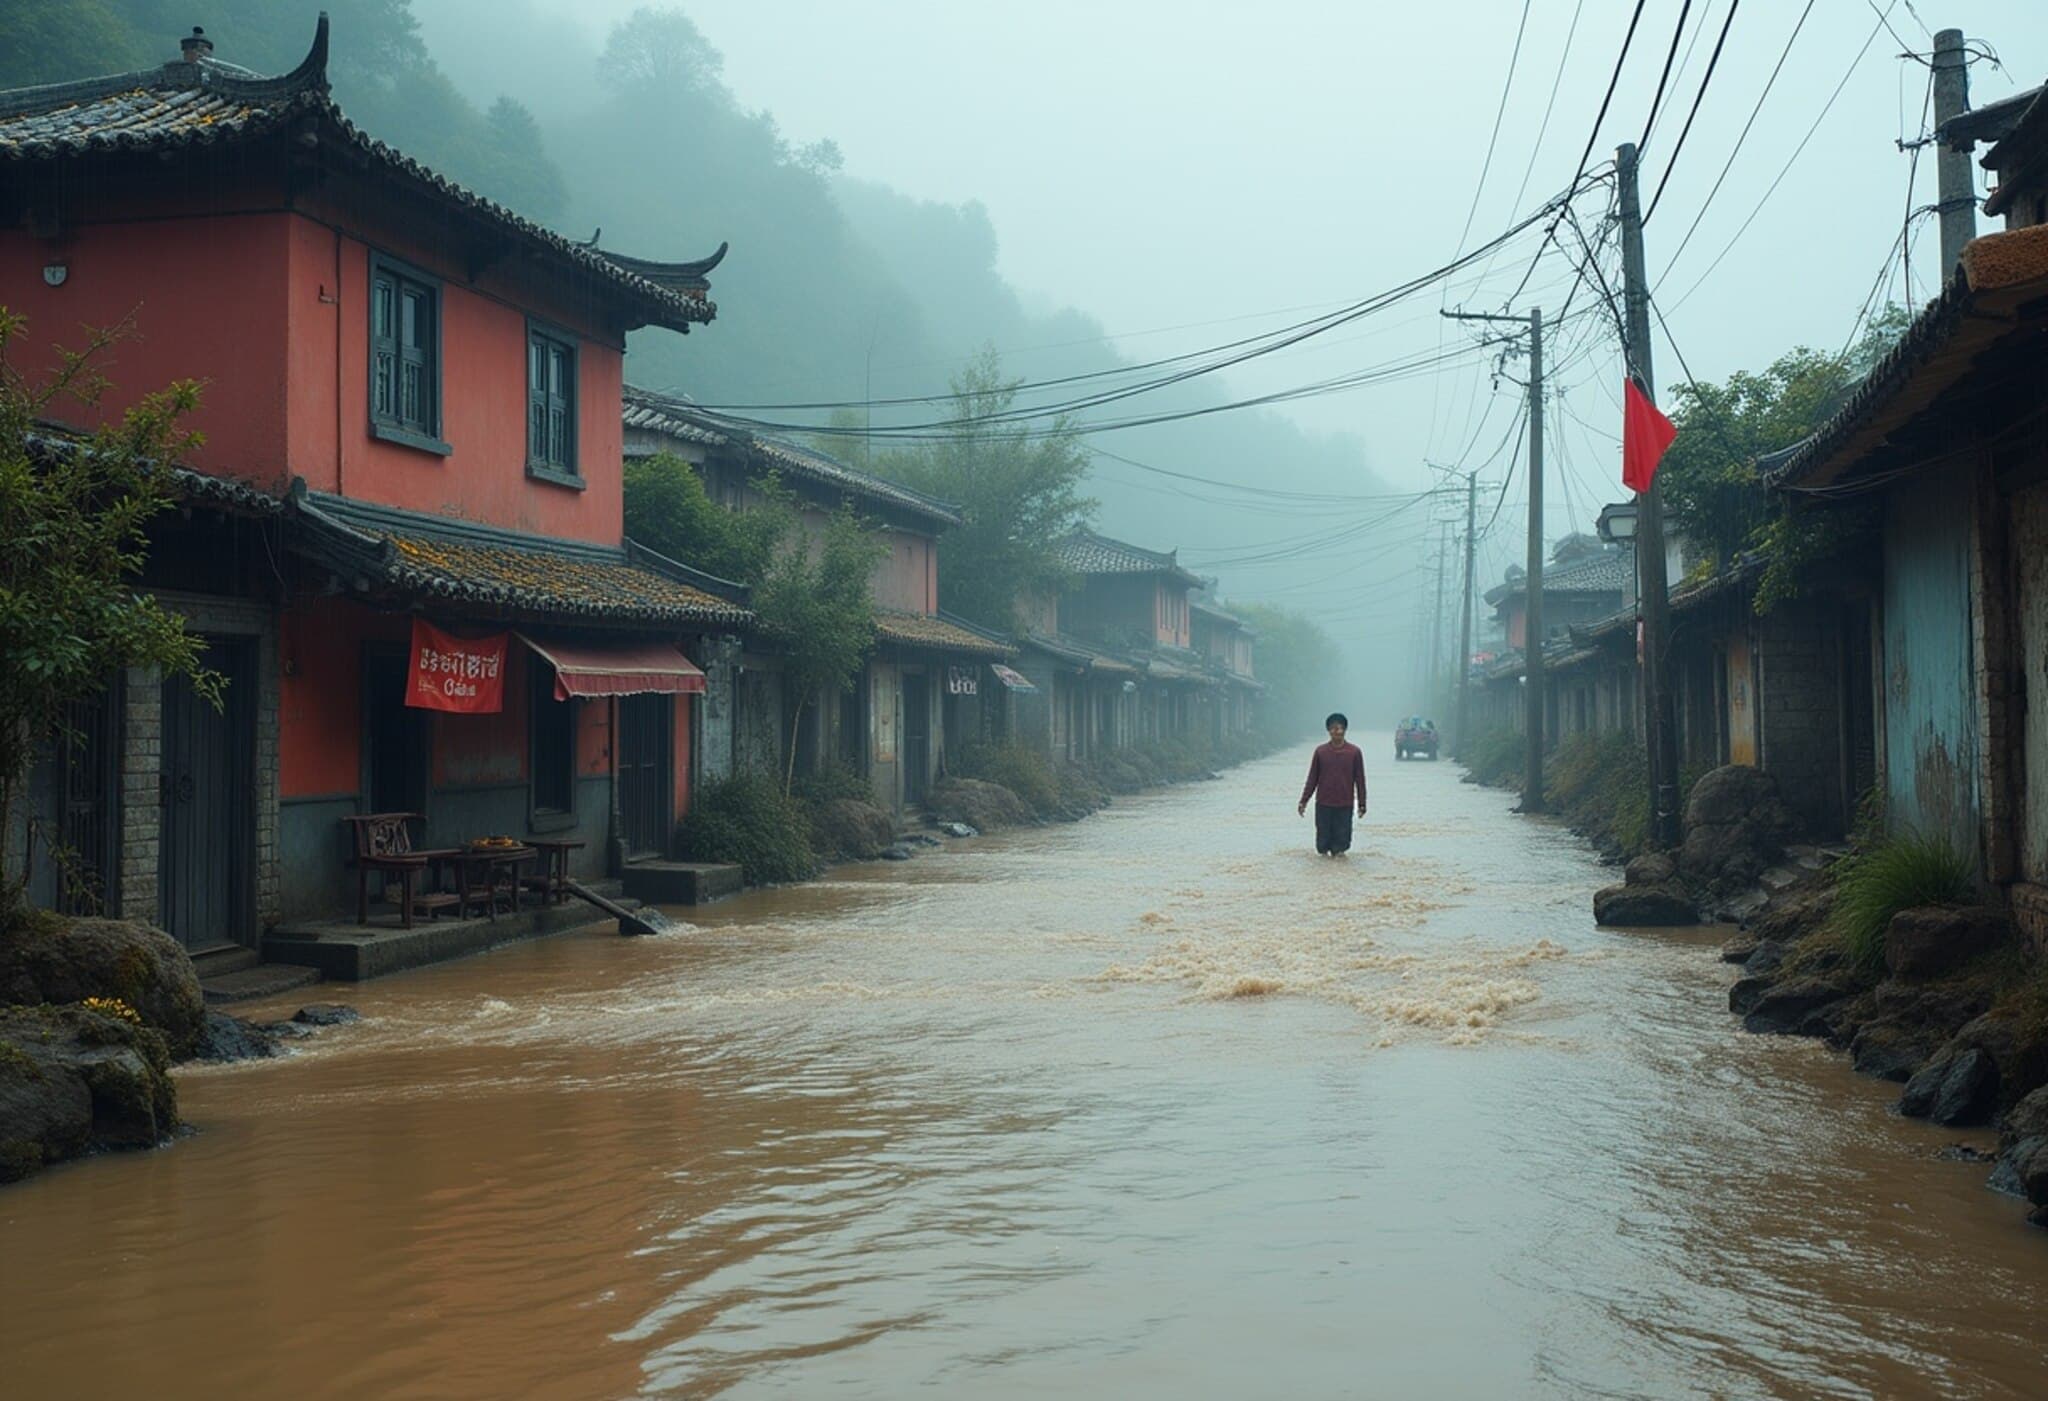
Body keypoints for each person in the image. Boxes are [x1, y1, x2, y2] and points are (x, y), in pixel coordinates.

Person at [1297, 712, 1368, 856]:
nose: (1338, 732)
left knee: (1341, 846)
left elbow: (1360, 780)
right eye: (1334, 728)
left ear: (1345, 730)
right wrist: (1303, 801)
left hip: (1344, 805)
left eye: (1341, 728)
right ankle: (1323, 876)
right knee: (1322, 845)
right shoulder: (1321, 752)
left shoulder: (1354, 752)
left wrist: (1362, 804)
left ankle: (1340, 874)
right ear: (1329, 731)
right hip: (1324, 804)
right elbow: (1312, 779)